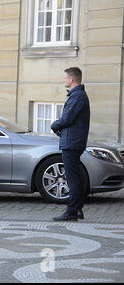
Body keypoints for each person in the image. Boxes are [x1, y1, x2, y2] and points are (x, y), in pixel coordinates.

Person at [51, 67, 90, 221]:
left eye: (65, 78)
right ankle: (78, 210)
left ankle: (72, 211)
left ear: (72, 79)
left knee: (72, 178)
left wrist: (54, 124)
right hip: (73, 141)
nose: (63, 80)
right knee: (76, 177)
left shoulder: (77, 96)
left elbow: (67, 118)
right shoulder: (77, 95)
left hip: (71, 143)